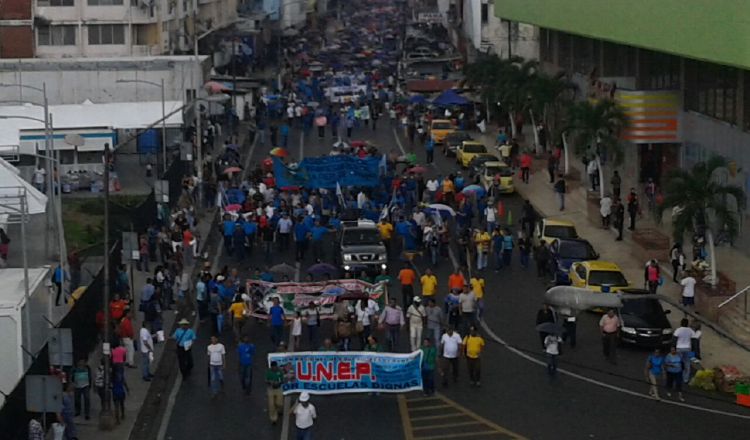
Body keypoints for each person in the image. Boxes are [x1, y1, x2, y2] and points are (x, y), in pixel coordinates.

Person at [673, 318, 695, 384]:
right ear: (687, 324)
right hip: (687, 348)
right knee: (687, 363)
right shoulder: (690, 330)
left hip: (679, 348)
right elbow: (694, 338)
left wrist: (673, 347)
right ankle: (685, 379)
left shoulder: (678, 330)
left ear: (681, 323)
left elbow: (674, 338)